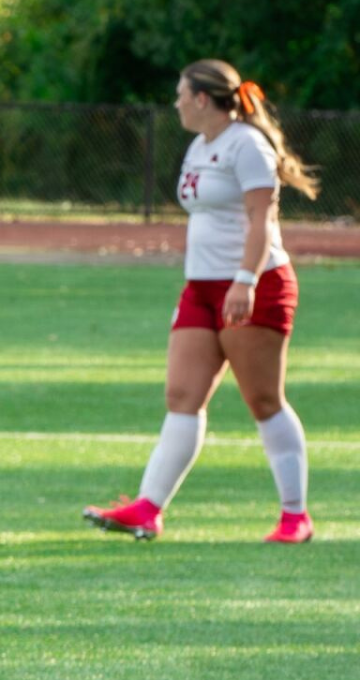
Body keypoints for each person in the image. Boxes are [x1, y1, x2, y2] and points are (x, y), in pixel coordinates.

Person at [85, 59, 319, 543]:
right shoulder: (200, 144)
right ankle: (148, 508)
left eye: (181, 94)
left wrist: (244, 281)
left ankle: (295, 517)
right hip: (201, 286)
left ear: (202, 99)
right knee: (182, 396)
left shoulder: (247, 144)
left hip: (253, 283)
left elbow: (262, 221)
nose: (175, 103)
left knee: (263, 400)